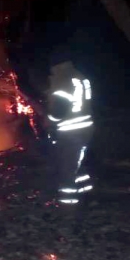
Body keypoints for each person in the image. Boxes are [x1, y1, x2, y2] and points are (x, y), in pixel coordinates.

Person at [45, 61, 95, 207]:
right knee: (77, 165)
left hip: (71, 131)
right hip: (84, 127)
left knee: (67, 170)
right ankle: (89, 197)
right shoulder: (79, 75)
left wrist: (49, 120)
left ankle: (68, 211)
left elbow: (59, 110)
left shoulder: (62, 79)